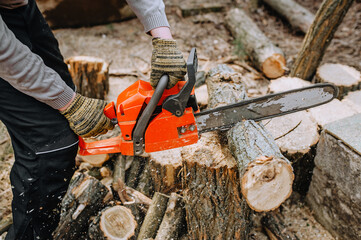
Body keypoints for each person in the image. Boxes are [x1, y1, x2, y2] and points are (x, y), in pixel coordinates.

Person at [0, 0, 186, 239]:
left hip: (16, 6)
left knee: (61, 109)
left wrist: (162, 36)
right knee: (51, 143)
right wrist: (69, 102)